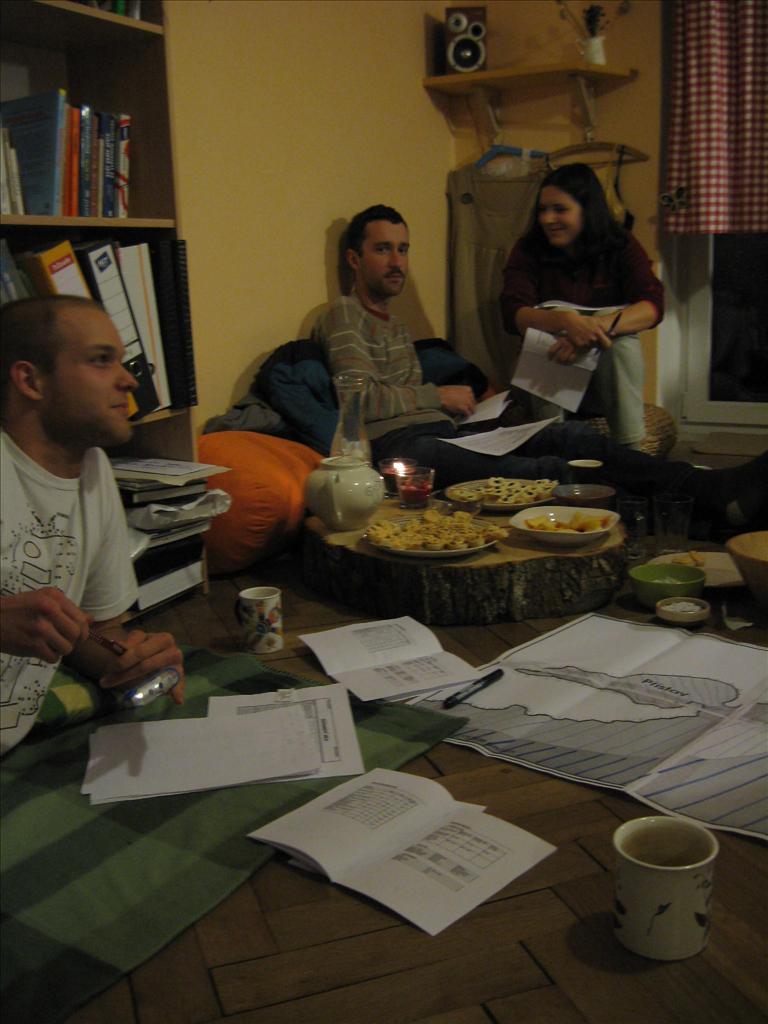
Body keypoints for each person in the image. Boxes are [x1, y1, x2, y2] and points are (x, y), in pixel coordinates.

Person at [312, 204, 767, 529]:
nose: (398, 262)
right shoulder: (343, 314)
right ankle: (698, 515)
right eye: (383, 250)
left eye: (404, 249)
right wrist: (438, 396)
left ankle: (710, 490)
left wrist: (470, 406)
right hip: (404, 450)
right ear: (354, 259)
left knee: (570, 437)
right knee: (545, 469)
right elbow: (360, 400)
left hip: (446, 434)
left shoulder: (396, 325)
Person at [0, 296, 184, 756]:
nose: (129, 379)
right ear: (30, 380)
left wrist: (134, 659)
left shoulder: (95, 470)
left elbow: (97, 631)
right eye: (101, 360)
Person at [500, 163, 664, 447]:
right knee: (552, 317)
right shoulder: (528, 249)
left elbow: (652, 304)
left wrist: (592, 330)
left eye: (560, 209)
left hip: (605, 380)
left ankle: (630, 450)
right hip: (541, 378)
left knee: (618, 337)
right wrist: (565, 323)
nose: (548, 219)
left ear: (586, 210)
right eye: (542, 210)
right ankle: (553, 446)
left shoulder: (620, 244)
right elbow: (512, 312)